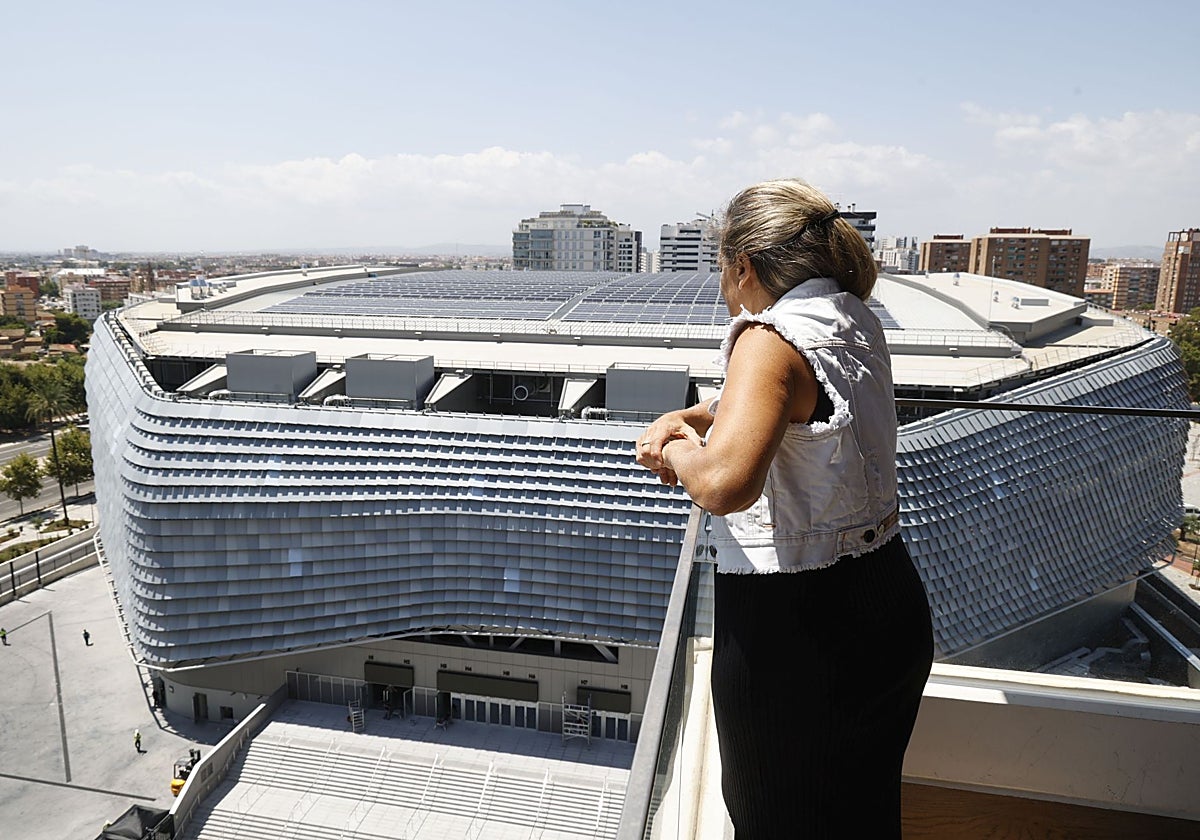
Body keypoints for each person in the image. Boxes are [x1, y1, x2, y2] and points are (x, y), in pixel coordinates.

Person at [635, 179, 933, 838]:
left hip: (801, 632)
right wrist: (695, 414)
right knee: (862, 814)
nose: (721, 285)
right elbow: (788, 405)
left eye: (721, 266)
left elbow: (724, 484)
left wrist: (675, 445)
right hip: (885, 596)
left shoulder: (768, 336)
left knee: (778, 818)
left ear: (743, 265)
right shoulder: (851, 315)